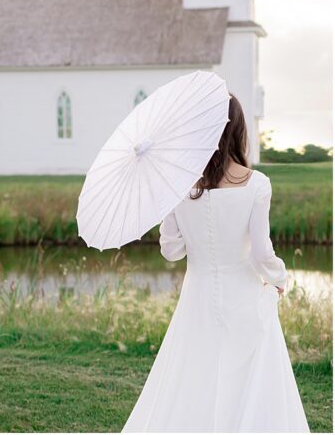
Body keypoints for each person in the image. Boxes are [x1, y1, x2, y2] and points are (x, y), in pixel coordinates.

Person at [123, 94, 309, 432]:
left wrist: (169, 202)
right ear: (238, 130)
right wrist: (279, 276)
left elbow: (171, 252)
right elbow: (260, 254)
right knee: (249, 376)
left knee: (196, 373)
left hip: (198, 297)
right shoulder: (256, 184)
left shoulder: (180, 185)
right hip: (244, 292)